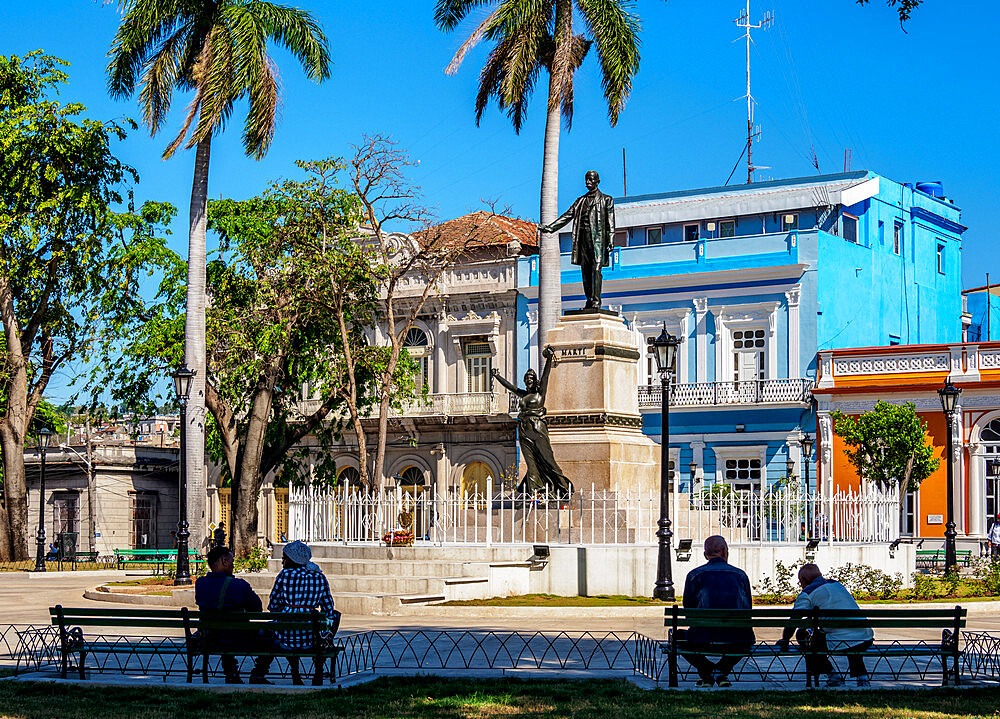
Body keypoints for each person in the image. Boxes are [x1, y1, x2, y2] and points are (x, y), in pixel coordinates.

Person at [491, 345, 572, 496]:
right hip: (523, 430)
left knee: (548, 459)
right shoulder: (522, 394)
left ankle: (563, 486)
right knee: (531, 462)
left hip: (538, 429)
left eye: (531, 378)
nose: (529, 380)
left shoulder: (540, 393)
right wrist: (497, 376)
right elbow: (510, 387)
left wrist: (548, 359)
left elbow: (546, 376)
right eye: (527, 378)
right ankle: (536, 493)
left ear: (536, 381)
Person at [251, 540, 335, 685]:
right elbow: (328, 608)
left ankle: (292, 673)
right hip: (312, 637)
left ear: (293, 559)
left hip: (285, 636)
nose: (282, 562)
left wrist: (287, 610)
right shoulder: (319, 577)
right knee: (321, 631)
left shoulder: (284, 576)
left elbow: (273, 605)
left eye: (284, 558)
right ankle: (318, 673)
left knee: (277, 630)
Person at [776, 564, 874, 688]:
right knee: (851, 638)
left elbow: (795, 619)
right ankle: (862, 678)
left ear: (804, 580)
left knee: (805, 639)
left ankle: (832, 675)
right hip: (866, 637)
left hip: (842, 640)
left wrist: (785, 640)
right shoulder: (836, 585)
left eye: (800, 581)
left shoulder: (807, 594)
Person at [678, 535, 754, 688]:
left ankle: (707, 673)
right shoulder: (740, 575)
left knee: (678, 637)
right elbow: (747, 611)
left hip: (702, 638)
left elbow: (689, 612)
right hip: (736, 639)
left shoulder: (694, 575)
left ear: (705, 554)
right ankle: (721, 671)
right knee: (748, 637)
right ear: (725, 551)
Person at [538, 170, 615, 310]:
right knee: (585, 272)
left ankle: (596, 301)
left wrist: (610, 240)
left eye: (591, 179)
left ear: (597, 181)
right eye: (586, 179)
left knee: (596, 270)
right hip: (583, 241)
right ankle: (589, 300)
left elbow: (610, 222)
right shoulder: (580, 201)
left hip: (598, 242)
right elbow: (567, 215)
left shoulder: (606, 200)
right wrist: (550, 228)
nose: (588, 182)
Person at [193, 545, 263, 684]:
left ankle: (230, 671)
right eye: (231, 560)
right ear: (224, 561)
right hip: (239, 639)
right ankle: (259, 672)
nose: (233, 564)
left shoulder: (200, 583)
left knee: (223, 629)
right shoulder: (239, 585)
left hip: (210, 639)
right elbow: (257, 608)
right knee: (268, 635)